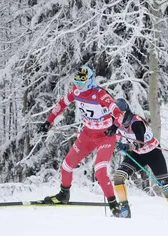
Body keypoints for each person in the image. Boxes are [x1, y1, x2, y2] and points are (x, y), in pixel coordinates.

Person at [39, 65, 125, 217]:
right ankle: (63, 194)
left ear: (90, 81)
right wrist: (48, 121)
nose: (78, 85)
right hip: (87, 135)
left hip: (105, 136)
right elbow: (61, 104)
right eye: (77, 81)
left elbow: (118, 113)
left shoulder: (100, 94)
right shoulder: (76, 92)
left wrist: (115, 126)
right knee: (66, 166)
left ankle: (114, 204)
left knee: (100, 171)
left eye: (82, 82)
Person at [110, 98, 168, 221]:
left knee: (164, 186)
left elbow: (140, 143)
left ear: (127, 112)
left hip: (153, 153)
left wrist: (127, 146)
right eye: (115, 114)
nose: (118, 117)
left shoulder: (136, 123)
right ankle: (124, 209)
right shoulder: (115, 123)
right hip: (137, 154)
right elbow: (106, 134)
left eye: (121, 113)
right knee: (118, 177)